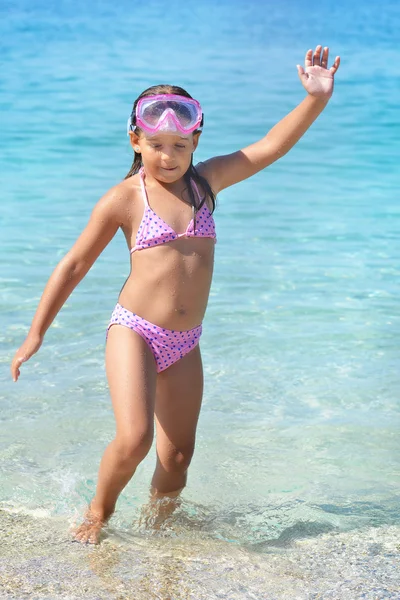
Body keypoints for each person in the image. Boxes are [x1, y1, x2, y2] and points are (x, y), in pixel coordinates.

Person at [10, 46, 340, 544]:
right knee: (136, 437)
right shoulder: (125, 198)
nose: (169, 157)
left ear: (196, 142)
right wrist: (36, 333)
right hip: (135, 332)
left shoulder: (205, 184)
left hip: (186, 342)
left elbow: (271, 146)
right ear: (135, 140)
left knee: (178, 458)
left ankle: (160, 532)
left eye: (180, 147)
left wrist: (315, 99)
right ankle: (99, 512)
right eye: (157, 145)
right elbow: (74, 264)